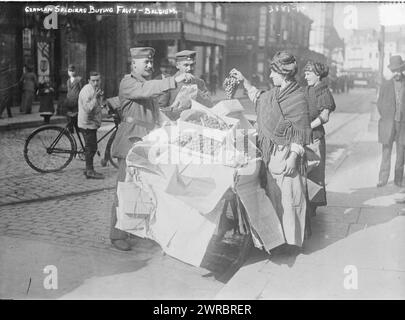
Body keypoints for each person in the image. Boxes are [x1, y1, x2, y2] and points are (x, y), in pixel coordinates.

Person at [109, 46, 195, 251]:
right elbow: (147, 90)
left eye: (150, 62)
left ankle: (136, 229)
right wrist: (173, 81)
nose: (149, 65)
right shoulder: (128, 82)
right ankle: (116, 235)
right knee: (125, 189)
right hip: (130, 143)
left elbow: (158, 115)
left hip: (147, 143)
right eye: (145, 62)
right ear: (134, 64)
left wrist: (177, 118)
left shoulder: (147, 85)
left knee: (144, 188)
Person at [230, 51, 312, 252]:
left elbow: (301, 130)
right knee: (275, 200)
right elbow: (259, 98)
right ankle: (278, 241)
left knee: (290, 200)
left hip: (287, 157)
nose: (269, 76)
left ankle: (292, 243)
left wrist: (293, 157)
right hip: (272, 156)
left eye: (272, 72)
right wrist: (244, 82)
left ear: (283, 73)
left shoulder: (298, 97)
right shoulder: (273, 94)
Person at [303, 61, 336, 237]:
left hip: (315, 138)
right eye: (305, 73)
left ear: (318, 75)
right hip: (305, 136)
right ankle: (309, 206)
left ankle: (312, 208)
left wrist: (308, 126)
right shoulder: (307, 89)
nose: (306, 75)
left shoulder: (323, 91)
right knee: (306, 173)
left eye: (309, 73)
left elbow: (324, 116)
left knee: (314, 174)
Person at [157, 50, 212, 120]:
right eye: (186, 65)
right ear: (177, 65)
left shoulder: (199, 82)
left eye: (192, 65)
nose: (189, 69)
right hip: (175, 124)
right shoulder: (169, 83)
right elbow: (160, 110)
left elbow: (210, 105)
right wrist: (173, 109)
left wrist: (196, 91)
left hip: (195, 124)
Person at [377, 55, 405, 188]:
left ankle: (398, 180)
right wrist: (387, 116)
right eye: (395, 70)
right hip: (389, 123)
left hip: (403, 124)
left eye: (399, 70)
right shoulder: (386, 85)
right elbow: (379, 104)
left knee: (401, 152)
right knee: (386, 152)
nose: (397, 73)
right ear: (392, 71)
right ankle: (383, 179)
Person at [78, 71, 105, 180]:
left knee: (91, 147)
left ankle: (89, 169)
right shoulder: (86, 90)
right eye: (93, 81)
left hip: (91, 123)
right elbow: (88, 108)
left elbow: (98, 105)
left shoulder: (95, 90)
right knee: (91, 148)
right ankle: (89, 171)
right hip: (87, 124)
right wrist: (95, 98)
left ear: (100, 80)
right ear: (89, 81)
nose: (95, 83)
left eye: (97, 80)